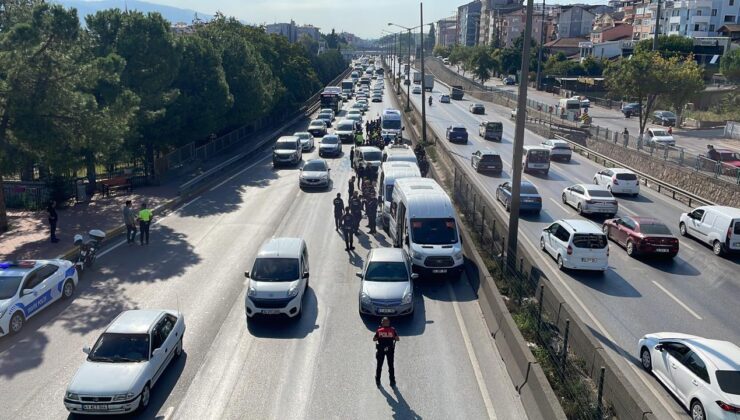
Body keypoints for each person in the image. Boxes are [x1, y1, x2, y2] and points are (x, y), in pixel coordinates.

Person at [373, 317, 399, 387]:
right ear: (389, 323)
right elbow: (397, 339)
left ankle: (378, 380)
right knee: (391, 366)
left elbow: (374, 339)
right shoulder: (392, 330)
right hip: (390, 350)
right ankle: (392, 381)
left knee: (379, 366)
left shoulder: (379, 330)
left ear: (382, 323)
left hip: (381, 350)